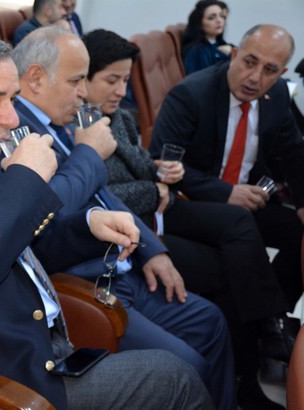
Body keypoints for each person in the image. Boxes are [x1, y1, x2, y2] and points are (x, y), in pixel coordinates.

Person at [0, 33, 215, 410]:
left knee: (196, 341)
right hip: (12, 377)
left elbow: (22, 245)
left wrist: (88, 226)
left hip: (56, 345)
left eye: (12, 99)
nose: (12, 119)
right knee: (176, 378)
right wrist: (24, 179)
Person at [12, 26, 234, 410]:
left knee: (211, 322)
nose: (84, 92)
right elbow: (43, 213)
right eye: (76, 80)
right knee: (188, 367)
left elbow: (106, 195)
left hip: (122, 267)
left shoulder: (61, 123)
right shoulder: (18, 132)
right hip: (85, 279)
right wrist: (88, 154)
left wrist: (152, 250)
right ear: (35, 78)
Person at [83, 28, 289, 410]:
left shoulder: (120, 117)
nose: (121, 90)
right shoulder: (80, 129)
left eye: (125, 80)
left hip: (157, 213)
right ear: (83, 79)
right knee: (232, 264)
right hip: (136, 230)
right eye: (112, 80)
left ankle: (260, 340)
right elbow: (97, 196)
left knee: (241, 233)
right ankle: (254, 355)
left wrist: (164, 173)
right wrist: (154, 189)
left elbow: (145, 165)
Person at [151, 24, 304, 339]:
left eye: (270, 70)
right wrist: (226, 192)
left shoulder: (277, 96)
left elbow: (294, 155)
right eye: (249, 62)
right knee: (238, 221)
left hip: (244, 201)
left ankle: (276, 321)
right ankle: (268, 324)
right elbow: (159, 164)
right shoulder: (191, 94)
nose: (255, 78)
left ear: (282, 73)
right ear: (234, 55)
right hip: (188, 202)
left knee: (298, 230)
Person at [182, 0, 233, 75]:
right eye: (211, 18)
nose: (219, 20)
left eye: (222, 16)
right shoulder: (196, 51)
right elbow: (197, 79)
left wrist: (232, 52)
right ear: (200, 24)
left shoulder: (224, 45)